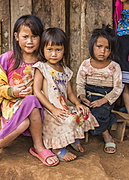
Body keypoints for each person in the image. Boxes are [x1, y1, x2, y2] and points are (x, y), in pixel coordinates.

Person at [0, 15, 59, 178]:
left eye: (34, 37)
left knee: (31, 100)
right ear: (16, 37)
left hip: (36, 108)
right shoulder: (8, 59)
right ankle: (36, 147)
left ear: (41, 37)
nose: (30, 41)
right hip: (11, 109)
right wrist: (11, 91)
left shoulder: (44, 60)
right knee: (23, 123)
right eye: (25, 36)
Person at [32, 28, 99, 162]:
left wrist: (78, 103)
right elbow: (36, 91)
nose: (54, 54)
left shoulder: (65, 71)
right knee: (68, 120)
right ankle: (57, 148)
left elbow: (69, 93)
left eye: (58, 50)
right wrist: (53, 109)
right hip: (49, 109)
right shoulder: (41, 67)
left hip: (63, 107)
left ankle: (71, 139)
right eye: (49, 49)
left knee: (84, 114)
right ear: (42, 49)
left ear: (64, 51)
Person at [76, 25, 123, 154]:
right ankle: (76, 138)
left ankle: (106, 135)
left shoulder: (114, 67)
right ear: (92, 46)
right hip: (88, 97)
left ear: (111, 50)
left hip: (105, 98)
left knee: (99, 113)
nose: (102, 51)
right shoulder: (85, 64)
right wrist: (82, 97)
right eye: (99, 46)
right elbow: (80, 84)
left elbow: (118, 88)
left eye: (107, 48)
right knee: (78, 112)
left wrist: (103, 101)